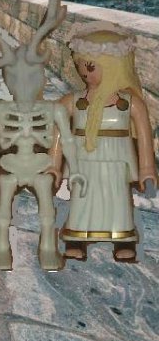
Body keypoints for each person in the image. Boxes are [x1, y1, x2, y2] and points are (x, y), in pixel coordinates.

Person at [57, 22, 157, 263]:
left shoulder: (130, 103)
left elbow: (144, 137)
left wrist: (147, 168)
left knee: (118, 198)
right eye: (80, 65)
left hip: (117, 158)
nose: (84, 72)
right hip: (83, 158)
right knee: (82, 197)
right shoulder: (73, 101)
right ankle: (77, 237)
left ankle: (122, 238)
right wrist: (53, 163)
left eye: (90, 66)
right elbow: (57, 129)